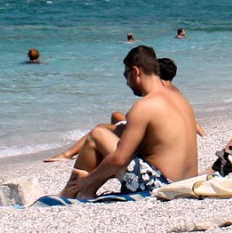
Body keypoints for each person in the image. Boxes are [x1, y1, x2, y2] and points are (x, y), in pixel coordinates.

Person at [58, 45, 199, 198]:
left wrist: (88, 180)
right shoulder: (180, 99)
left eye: (126, 76)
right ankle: (83, 191)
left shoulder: (145, 105)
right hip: (188, 183)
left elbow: (120, 159)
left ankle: (74, 190)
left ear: (135, 72)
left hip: (161, 186)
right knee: (114, 135)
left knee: (98, 134)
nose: (126, 83)